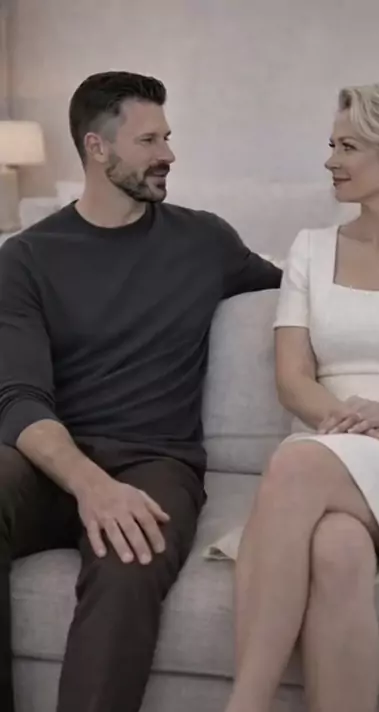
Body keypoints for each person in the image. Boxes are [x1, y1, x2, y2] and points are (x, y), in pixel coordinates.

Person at [0, 71, 281, 712]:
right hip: (51, 461)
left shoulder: (205, 242)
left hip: (156, 462)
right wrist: (90, 485)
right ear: (97, 148)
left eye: (167, 137)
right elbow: (18, 399)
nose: (168, 155)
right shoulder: (27, 258)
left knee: (130, 556)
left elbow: (305, 292)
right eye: (150, 140)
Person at [222, 82, 379, 712]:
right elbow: (293, 382)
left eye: (348, 147)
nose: (330, 160)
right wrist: (357, 426)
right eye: (331, 145)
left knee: (296, 464)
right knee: (336, 547)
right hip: (329, 441)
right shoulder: (309, 250)